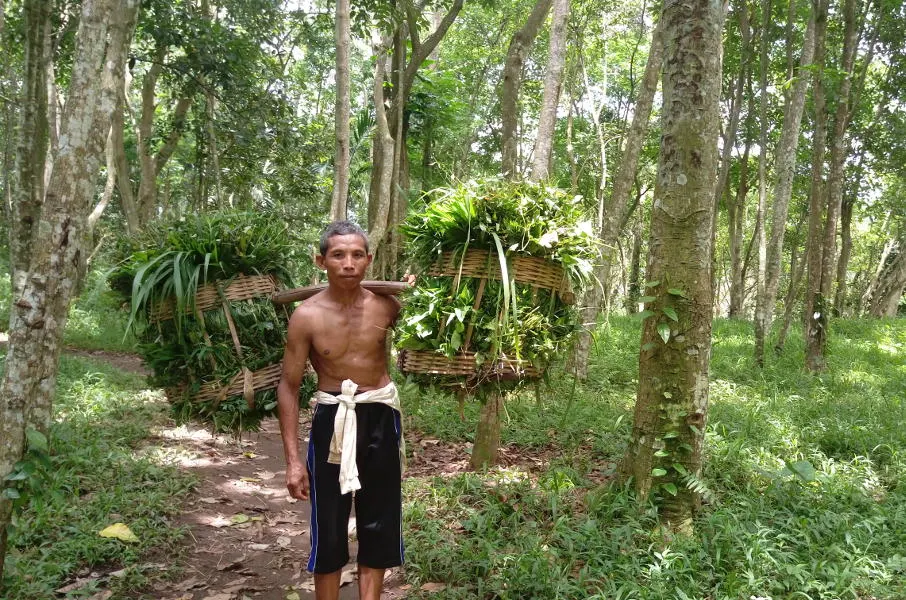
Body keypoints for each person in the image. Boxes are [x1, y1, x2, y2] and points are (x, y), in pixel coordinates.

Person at [276, 220, 405, 600]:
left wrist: (420, 291)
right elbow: (289, 386)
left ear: (368, 260)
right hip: (333, 419)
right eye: (338, 255)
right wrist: (293, 461)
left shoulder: (387, 305)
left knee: (378, 522)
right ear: (321, 261)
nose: (348, 263)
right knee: (329, 528)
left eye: (356, 255)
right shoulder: (307, 316)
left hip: (381, 414)